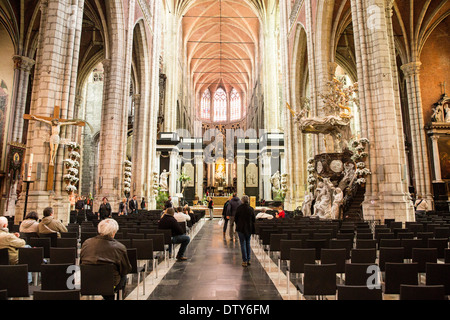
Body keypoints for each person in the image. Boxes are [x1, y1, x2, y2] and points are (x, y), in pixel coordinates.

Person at [80, 219, 132, 300]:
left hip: (88, 282)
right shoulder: (120, 247)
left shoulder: (86, 243)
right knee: (123, 276)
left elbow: (81, 262)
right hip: (110, 285)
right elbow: (126, 269)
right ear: (114, 232)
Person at [234, 195, 256, 267]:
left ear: (242, 201)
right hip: (249, 228)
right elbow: (253, 220)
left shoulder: (239, 208)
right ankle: (249, 259)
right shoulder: (251, 209)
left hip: (240, 228)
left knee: (242, 244)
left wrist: (238, 224)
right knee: (248, 243)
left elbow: (235, 218)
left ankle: (244, 260)